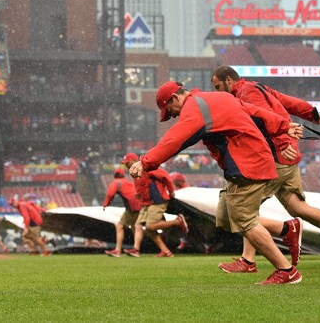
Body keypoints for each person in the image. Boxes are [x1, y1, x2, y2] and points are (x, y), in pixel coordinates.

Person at [129, 81, 304, 284]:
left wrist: (145, 162)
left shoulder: (195, 109)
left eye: (170, 110)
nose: (173, 116)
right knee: (226, 216)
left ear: (176, 98)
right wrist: (282, 126)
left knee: (244, 220)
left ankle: (286, 270)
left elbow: (175, 139)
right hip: (249, 161)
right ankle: (286, 229)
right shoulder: (217, 98)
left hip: (247, 163)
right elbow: (254, 111)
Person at [210, 65, 320, 268]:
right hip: (287, 157)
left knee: (245, 209)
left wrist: (281, 143)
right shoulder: (258, 87)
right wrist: (312, 113)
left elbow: (264, 118)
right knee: (297, 207)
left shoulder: (245, 93)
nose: (217, 92)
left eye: (218, 86)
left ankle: (251, 257)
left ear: (228, 80)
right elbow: (288, 102)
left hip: (277, 157)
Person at [122, 152, 189, 258]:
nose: (126, 165)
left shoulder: (147, 168)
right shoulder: (135, 172)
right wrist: (139, 195)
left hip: (157, 201)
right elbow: (143, 186)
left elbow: (166, 177)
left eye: (127, 162)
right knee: (139, 226)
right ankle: (142, 250)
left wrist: (171, 192)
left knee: (150, 226)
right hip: (147, 203)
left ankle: (177, 221)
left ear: (133, 161)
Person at [103, 168, 144, 258]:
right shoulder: (127, 182)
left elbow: (110, 194)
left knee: (127, 226)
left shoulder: (116, 182)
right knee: (133, 227)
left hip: (132, 206)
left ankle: (121, 250)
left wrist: (106, 204)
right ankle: (136, 249)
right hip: (137, 204)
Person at [169, 172, 190, 251]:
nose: (174, 183)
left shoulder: (185, 190)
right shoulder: (180, 189)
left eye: (175, 181)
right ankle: (183, 241)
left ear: (180, 181)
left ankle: (184, 241)